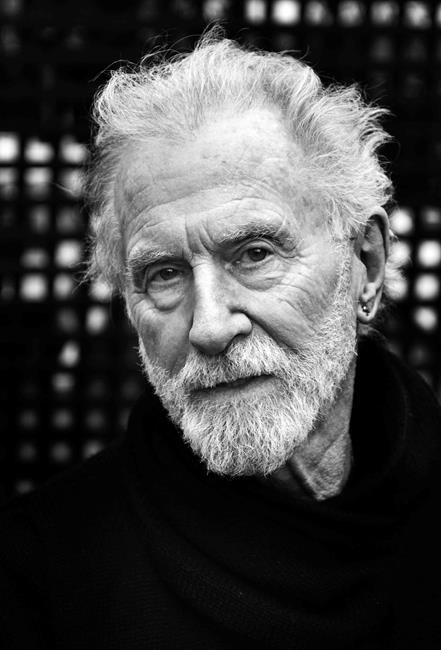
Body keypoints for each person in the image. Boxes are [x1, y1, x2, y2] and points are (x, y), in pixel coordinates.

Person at [1, 30, 440, 650]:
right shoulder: (41, 575)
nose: (209, 326)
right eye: (164, 274)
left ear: (365, 264)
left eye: (255, 254)